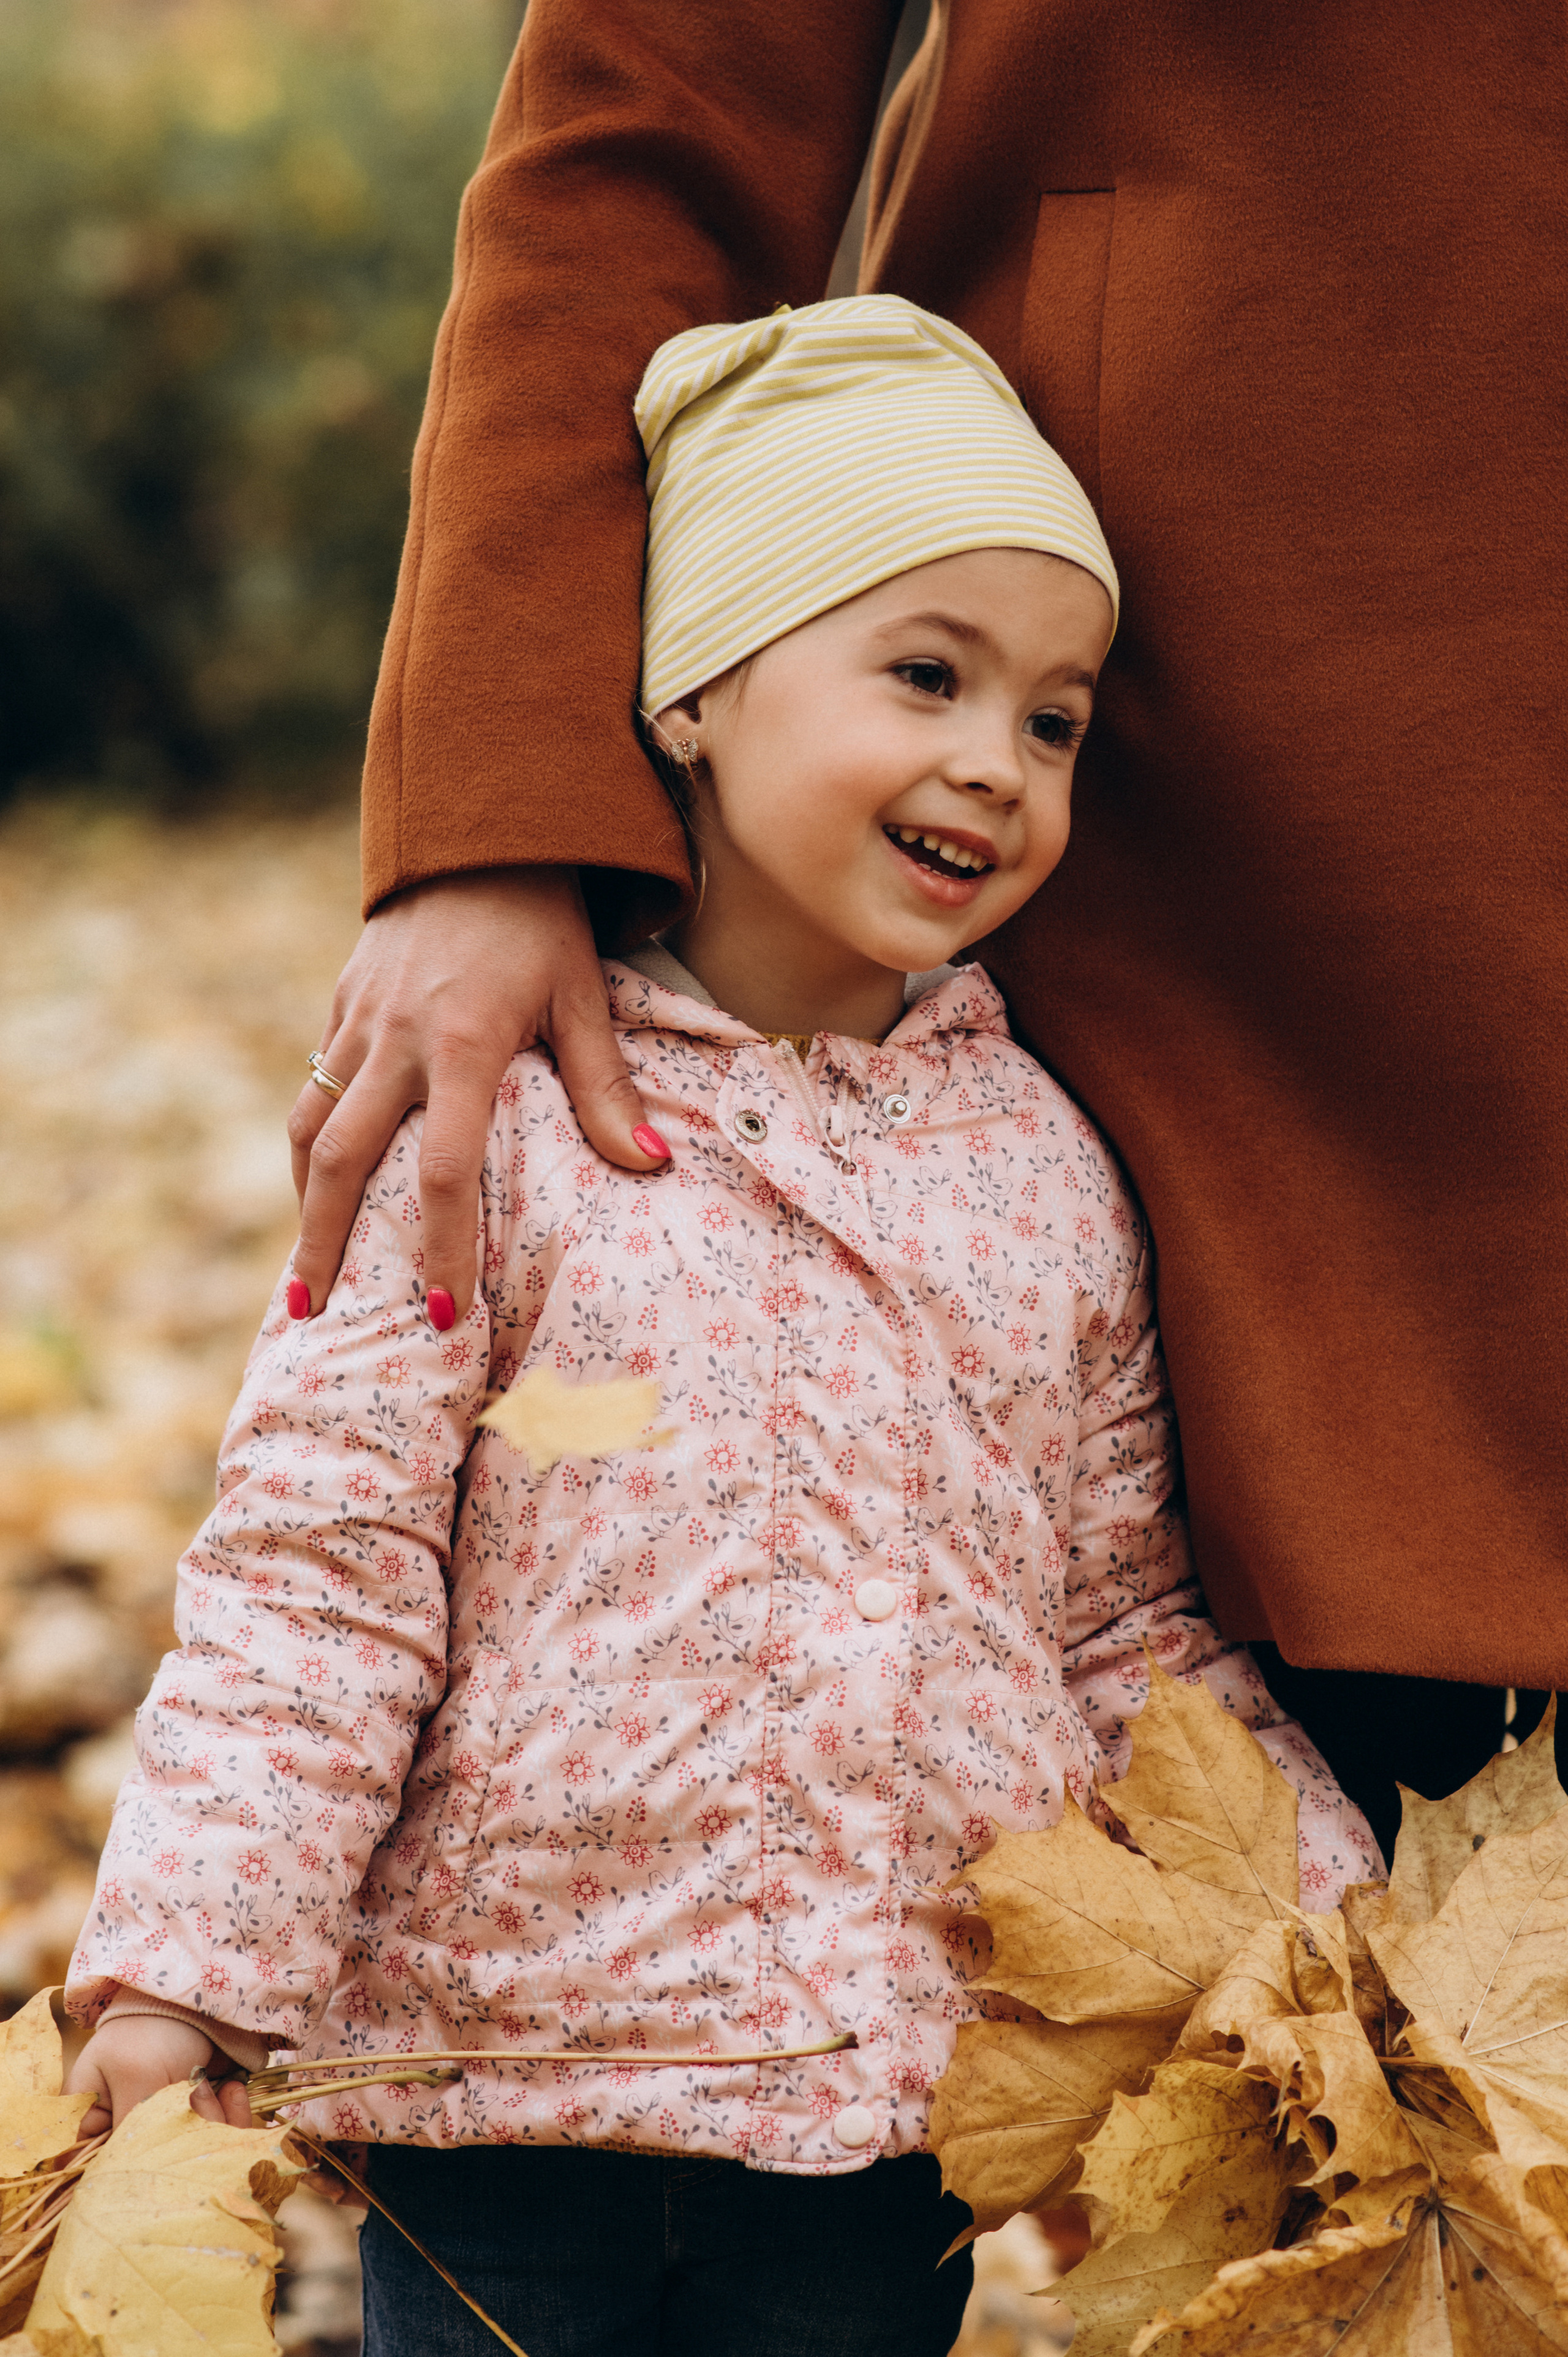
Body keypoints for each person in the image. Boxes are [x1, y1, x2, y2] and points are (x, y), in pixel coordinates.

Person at [66, 300, 1377, 2357]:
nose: (993, 761)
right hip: (503, 2090)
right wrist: (183, 1965)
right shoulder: (498, 1127)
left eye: (1053, 719)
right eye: (925, 674)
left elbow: (1118, 1617)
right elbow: (321, 1576)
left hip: (869, 2084)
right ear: (694, 693)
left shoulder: (1046, 1169)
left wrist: (1327, 1905)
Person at [280, 1, 1568, 1860]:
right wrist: (497, 810)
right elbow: (656, 99)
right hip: (1208, 831)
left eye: (1013, 722)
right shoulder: (804, 1145)